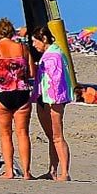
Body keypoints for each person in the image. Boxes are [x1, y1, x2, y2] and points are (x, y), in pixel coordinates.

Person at [0, 19, 35, 180]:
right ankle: (26, 172)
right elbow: (32, 73)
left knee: (5, 134)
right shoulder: (23, 48)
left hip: (3, 93)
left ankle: (9, 171)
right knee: (23, 133)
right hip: (22, 93)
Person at [31, 27, 72, 181]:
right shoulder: (48, 54)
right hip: (44, 97)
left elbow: (57, 80)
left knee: (57, 136)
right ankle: (52, 170)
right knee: (51, 136)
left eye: (35, 41)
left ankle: (64, 172)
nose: (34, 45)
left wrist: (54, 101)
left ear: (44, 39)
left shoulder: (55, 54)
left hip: (53, 99)